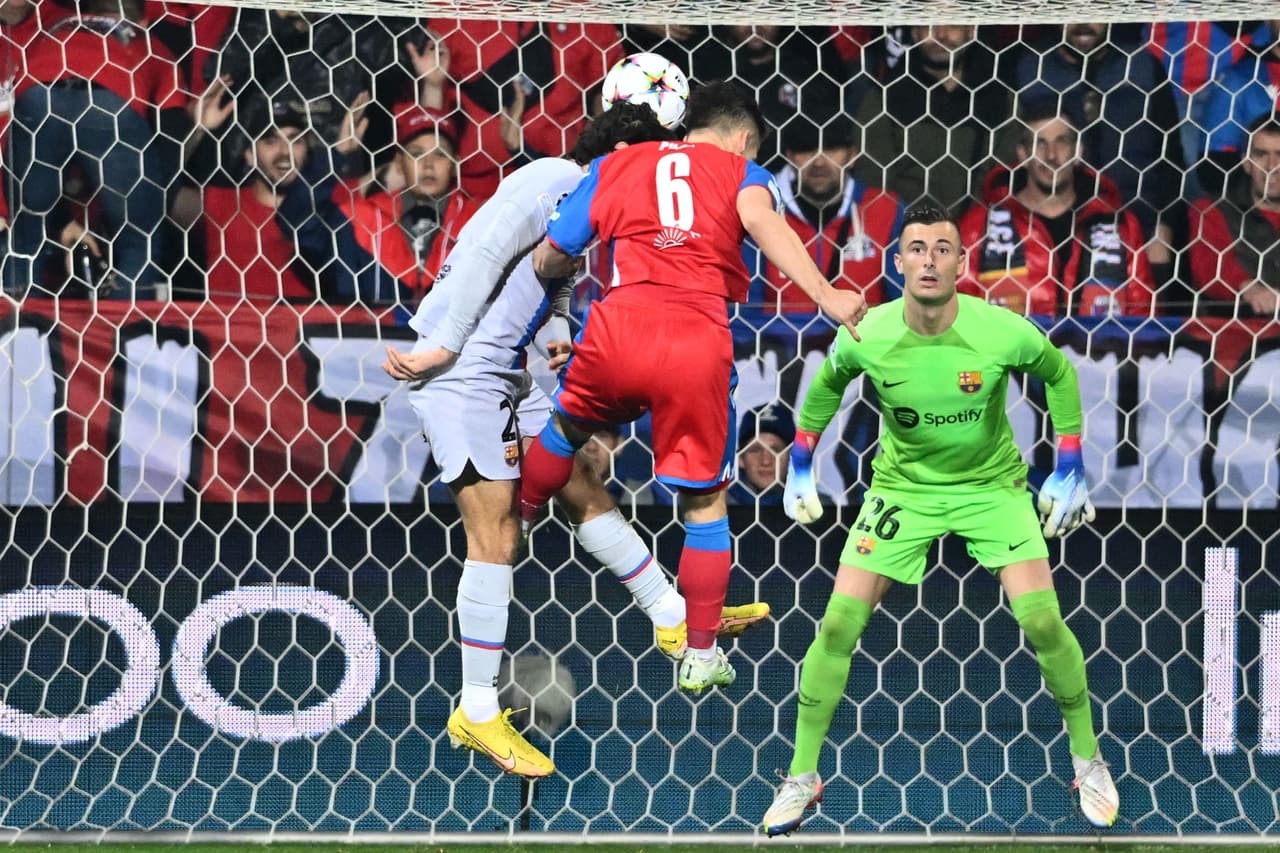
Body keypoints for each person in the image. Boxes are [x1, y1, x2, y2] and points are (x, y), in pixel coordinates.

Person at [380, 102, 769, 779]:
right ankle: (476, 708)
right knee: (496, 535)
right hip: (464, 369)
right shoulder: (551, 176)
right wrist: (441, 344)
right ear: (624, 151)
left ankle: (672, 615)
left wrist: (563, 359)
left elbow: (547, 284)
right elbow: (491, 253)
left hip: (508, 372)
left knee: (582, 482)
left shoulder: (588, 199)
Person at [760, 203, 1118, 836]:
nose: (929, 259)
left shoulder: (999, 329)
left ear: (961, 261)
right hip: (903, 490)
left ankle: (1087, 758)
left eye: (943, 248)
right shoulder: (867, 331)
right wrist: (802, 463)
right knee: (839, 623)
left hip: (992, 488)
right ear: (897, 264)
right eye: (916, 248)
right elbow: (825, 387)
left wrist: (1068, 463)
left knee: (1041, 619)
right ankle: (801, 775)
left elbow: (1059, 374)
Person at [516, 81, 867, 695]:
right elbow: (763, 224)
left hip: (618, 326)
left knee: (565, 429)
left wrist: (553, 282)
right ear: (742, 138)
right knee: (703, 504)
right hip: (695, 340)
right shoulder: (744, 173)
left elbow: (553, 254)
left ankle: (515, 520)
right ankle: (701, 654)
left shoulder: (619, 162)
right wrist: (828, 295)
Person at [957, 101, 1154, 317]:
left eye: (1061, 141)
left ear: (1077, 151)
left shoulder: (1120, 226)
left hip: (1099, 350)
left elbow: (1143, 318)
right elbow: (960, 315)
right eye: (1039, 143)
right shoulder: (979, 226)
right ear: (1023, 155)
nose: (1051, 155)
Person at [1188, 112, 1280, 318]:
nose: (1272, 166)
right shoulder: (1214, 210)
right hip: (1238, 332)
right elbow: (1209, 267)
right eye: (1261, 154)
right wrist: (1248, 288)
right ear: (1246, 163)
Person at [728, 404, 794, 506]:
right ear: (741, 459)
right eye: (755, 450)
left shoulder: (818, 509)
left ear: (791, 458)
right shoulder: (715, 510)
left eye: (776, 450)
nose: (766, 461)